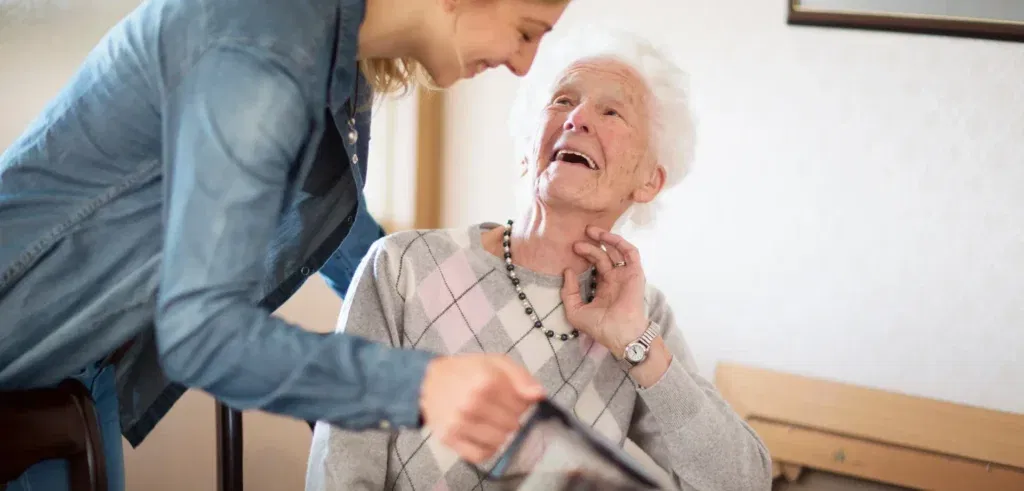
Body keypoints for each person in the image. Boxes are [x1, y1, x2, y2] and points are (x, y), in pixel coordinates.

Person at [0, 0, 571, 488]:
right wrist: (424, 385)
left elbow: (341, 232)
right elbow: (201, 333)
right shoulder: (263, 47)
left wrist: (451, 317)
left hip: (85, 370)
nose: (524, 65)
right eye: (526, 30)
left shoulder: (334, 70)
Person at [305, 27, 773, 491]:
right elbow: (340, 471)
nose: (578, 119)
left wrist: (638, 345)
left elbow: (743, 482)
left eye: (612, 111)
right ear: (528, 151)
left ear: (649, 181)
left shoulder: (644, 320)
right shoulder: (402, 266)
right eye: (563, 101)